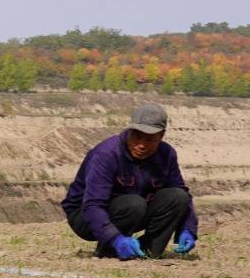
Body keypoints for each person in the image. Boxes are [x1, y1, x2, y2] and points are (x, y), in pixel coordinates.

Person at [61, 101, 198, 260]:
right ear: (129, 130)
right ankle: (110, 250)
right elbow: (92, 205)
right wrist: (115, 239)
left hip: (134, 210)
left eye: (149, 140)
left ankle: (148, 249)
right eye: (137, 136)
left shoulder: (167, 155)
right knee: (134, 204)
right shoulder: (106, 155)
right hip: (86, 215)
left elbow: (182, 193)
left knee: (178, 197)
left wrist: (188, 228)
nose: (141, 145)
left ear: (161, 136)